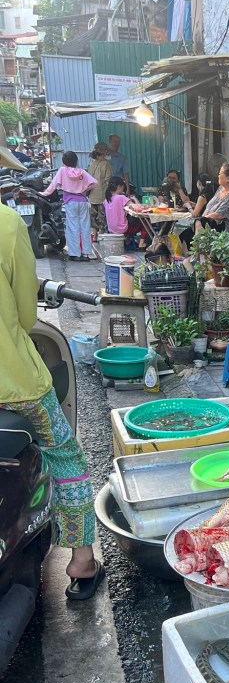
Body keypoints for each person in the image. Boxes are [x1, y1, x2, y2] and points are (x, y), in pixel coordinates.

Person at [0, 203, 104, 600]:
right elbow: (27, 316)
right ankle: (81, 560)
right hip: (15, 383)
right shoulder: (7, 222)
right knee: (66, 459)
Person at [41, 151, 98, 261]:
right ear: (76, 161)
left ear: (64, 161)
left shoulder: (62, 170)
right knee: (85, 227)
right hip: (83, 201)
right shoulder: (81, 172)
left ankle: (75, 254)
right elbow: (94, 183)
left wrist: (44, 194)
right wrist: (84, 190)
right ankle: (86, 253)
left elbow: (54, 185)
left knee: (73, 227)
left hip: (70, 202)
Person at [194, 163, 229, 233]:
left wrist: (201, 220)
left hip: (221, 231)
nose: (218, 176)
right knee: (184, 234)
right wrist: (202, 219)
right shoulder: (221, 188)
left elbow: (218, 215)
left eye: (220, 174)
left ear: (227, 179)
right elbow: (209, 207)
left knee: (189, 233)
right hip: (208, 225)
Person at [103, 176, 143, 250]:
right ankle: (142, 243)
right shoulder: (121, 198)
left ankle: (128, 240)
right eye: (122, 187)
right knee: (145, 223)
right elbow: (138, 208)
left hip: (111, 229)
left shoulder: (106, 200)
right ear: (119, 187)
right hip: (122, 229)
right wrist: (135, 199)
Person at [86, 142, 113, 238]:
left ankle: (94, 235)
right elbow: (109, 180)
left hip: (92, 195)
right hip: (102, 195)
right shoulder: (106, 164)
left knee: (93, 216)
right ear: (104, 153)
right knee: (102, 216)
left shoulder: (92, 164)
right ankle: (101, 234)